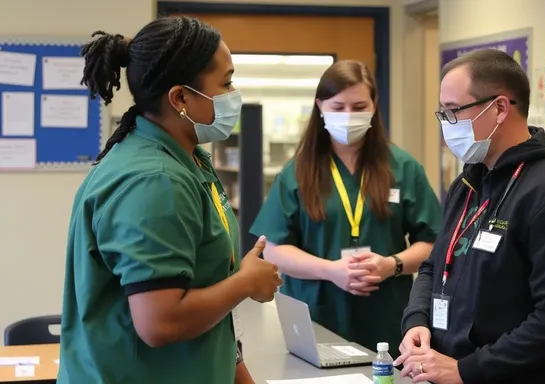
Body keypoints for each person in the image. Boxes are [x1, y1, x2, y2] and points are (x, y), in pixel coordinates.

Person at [58, 16, 282, 384]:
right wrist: (244, 283)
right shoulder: (154, 181)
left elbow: (204, 295)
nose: (233, 94)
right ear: (180, 98)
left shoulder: (190, 158)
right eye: (225, 83)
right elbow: (159, 322)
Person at [394, 49, 545, 384]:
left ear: (500, 108)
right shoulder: (469, 181)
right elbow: (435, 263)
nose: (447, 124)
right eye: (442, 112)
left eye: (453, 111)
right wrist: (417, 320)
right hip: (448, 370)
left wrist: (466, 369)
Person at [249, 60, 442, 358]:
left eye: (359, 106)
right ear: (320, 107)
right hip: (317, 316)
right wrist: (331, 271)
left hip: (384, 318)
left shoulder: (403, 168)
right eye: (338, 107)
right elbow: (273, 249)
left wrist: (393, 264)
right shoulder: (298, 172)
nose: (348, 116)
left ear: (374, 106)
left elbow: (434, 243)